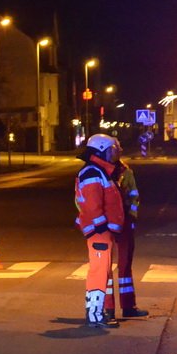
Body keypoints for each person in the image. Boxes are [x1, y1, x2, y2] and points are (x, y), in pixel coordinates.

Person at [74, 134, 124, 328]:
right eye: (112, 150)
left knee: (102, 271)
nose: (115, 153)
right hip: (99, 231)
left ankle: (95, 313)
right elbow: (93, 203)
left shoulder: (99, 171)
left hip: (101, 230)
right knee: (99, 273)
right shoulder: (93, 172)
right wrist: (102, 225)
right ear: (103, 149)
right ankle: (95, 315)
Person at [106, 141, 149, 320]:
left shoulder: (125, 171)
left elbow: (134, 195)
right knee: (105, 268)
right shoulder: (99, 172)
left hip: (122, 222)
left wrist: (131, 217)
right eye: (115, 150)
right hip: (107, 223)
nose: (118, 153)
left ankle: (128, 306)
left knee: (124, 265)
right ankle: (108, 308)